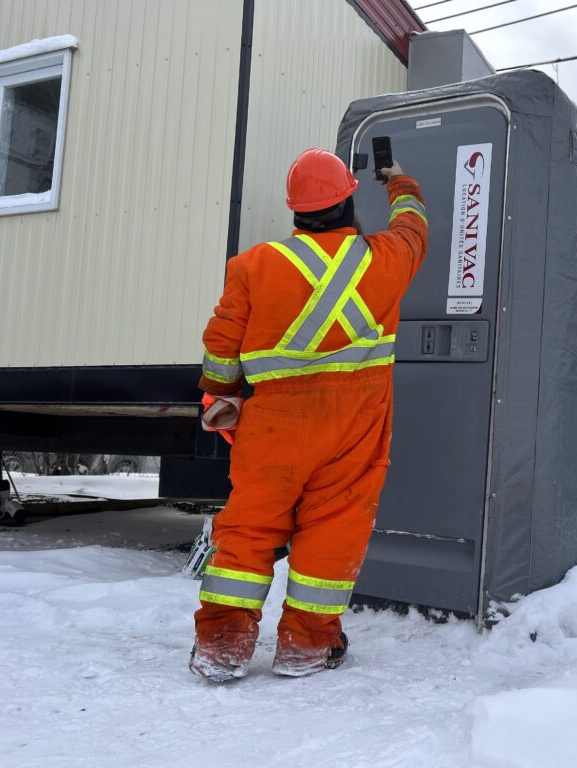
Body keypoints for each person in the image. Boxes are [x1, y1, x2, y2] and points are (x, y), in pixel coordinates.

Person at [189, 148, 427, 682]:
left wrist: (220, 396)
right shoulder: (385, 259)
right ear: (348, 199)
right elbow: (414, 229)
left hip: (273, 423)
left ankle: (224, 646)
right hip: (356, 426)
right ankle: (306, 647)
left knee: (249, 528)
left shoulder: (253, 266)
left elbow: (222, 345)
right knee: (335, 529)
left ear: (294, 210)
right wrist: (398, 181)